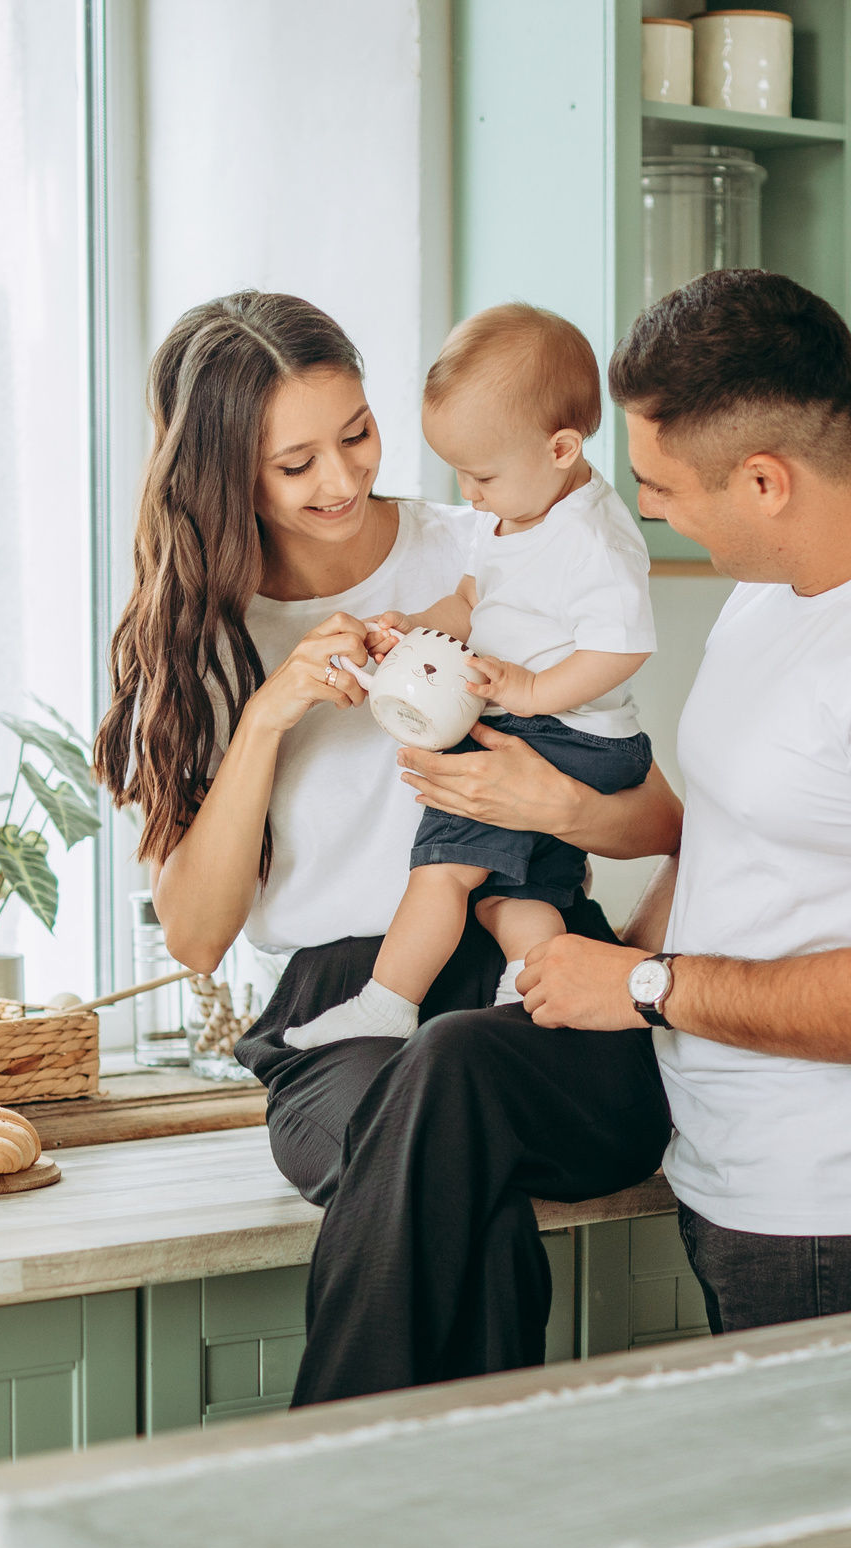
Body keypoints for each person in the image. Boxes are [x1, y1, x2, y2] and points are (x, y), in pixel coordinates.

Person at [94, 291, 677, 1405]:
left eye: (356, 433)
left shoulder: (495, 538)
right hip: (344, 1021)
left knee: (455, 1067)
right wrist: (270, 714)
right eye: (294, 462)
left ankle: (339, 1487)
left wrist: (535, 795)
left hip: (542, 983)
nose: (341, 480)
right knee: (446, 1117)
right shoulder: (207, 642)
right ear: (224, 475)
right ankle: (446, 1515)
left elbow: (658, 822)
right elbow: (198, 936)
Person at [518, 270, 851, 1334]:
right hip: (730, 1167)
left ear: (764, 481)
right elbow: (724, 842)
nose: (652, 513)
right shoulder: (771, 594)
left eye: (662, 488)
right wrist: (604, 973)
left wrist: (643, 985)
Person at [283, 303, 657, 1048]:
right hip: (550, 727)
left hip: (561, 732)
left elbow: (624, 648)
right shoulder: (511, 514)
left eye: (482, 474)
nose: (469, 492)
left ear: (560, 447)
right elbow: (470, 602)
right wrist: (412, 627)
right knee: (509, 891)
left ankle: (387, 1001)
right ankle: (528, 980)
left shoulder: (592, 537)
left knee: (443, 868)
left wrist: (527, 692)